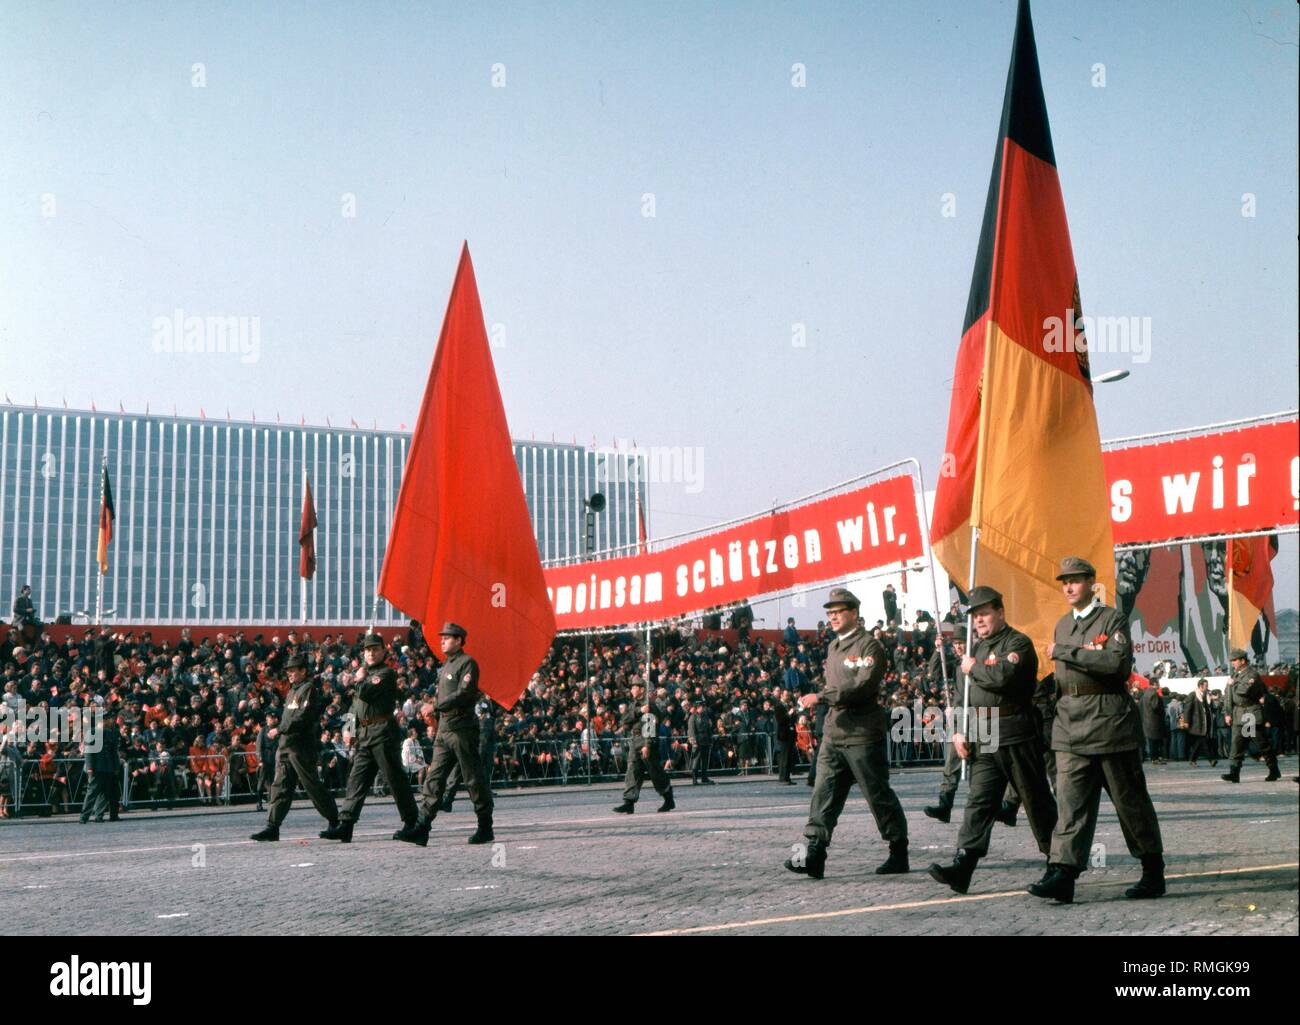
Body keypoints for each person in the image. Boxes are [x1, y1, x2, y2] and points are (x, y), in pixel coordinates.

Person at [1030, 557, 1165, 904]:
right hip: (1070, 728)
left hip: (1110, 725)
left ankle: (1152, 871)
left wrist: (1067, 652)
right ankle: (1064, 873)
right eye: (1064, 582)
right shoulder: (1062, 625)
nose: (1069, 587)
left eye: (1075, 580)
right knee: (1070, 806)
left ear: (1091, 582)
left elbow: (1117, 664)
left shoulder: (1111, 618)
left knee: (1129, 803)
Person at [928, 586, 1056, 894]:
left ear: (1000, 612)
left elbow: (1004, 678)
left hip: (1015, 732)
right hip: (983, 737)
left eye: (985, 613)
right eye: (975, 615)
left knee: (1035, 800)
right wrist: (959, 730)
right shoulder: (976, 650)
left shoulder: (1017, 644)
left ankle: (1059, 866)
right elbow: (962, 699)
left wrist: (974, 668)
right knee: (979, 801)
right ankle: (963, 864)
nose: (979, 620)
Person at [785, 587, 908, 879]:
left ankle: (898, 851)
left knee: (877, 795)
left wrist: (823, 696)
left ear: (854, 613)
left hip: (863, 734)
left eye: (839, 612)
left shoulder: (869, 646)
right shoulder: (833, 647)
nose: (833, 617)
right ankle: (812, 855)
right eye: (830, 613)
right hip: (834, 733)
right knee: (822, 794)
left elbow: (864, 685)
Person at [397, 623, 495, 846]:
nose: (442, 641)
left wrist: (436, 707)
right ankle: (422, 828)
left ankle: (485, 827)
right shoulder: (446, 666)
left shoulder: (467, 663)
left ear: (459, 640)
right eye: (442, 637)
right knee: (434, 779)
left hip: (462, 729)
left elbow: (464, 693)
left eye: (447, 638)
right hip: (445, 729)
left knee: (473, 779)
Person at [321, 633, 419, 843]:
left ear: (383, 651)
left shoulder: (385, 673)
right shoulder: (365, 674)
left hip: (382, 731)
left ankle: (412, 822)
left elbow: (364, 693)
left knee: (395, 780)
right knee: (356, 779)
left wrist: (359, 678)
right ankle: (345, 825)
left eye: (375, 649)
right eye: (367, 650)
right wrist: (349, 729)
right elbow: (354, 706)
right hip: (365, 734)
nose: (371, 653)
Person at [251, 654, 339, 841]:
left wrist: (279, 729)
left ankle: (334, 820)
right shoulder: (292, 692)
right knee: (280, 787)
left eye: (293, 671)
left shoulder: (308, 689)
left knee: (312, 786)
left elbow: (302, 717)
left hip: (301, 747)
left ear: (303, 671)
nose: (290, 674)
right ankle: (272, 827)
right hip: (285, 747)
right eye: (288, 671)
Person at [924, 628, 967, 823]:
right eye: (955, 643)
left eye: (962, 642)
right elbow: (934, 672)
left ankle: (998, 805)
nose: (958, 646)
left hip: (979, 716)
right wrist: (937, 650)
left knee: (983, 766)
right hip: (957, 717)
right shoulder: (955, 663)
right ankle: (944, 806)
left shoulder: (978, 661)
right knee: (951, 765)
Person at [611, 681, 675, 814]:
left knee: (655, 773)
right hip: (635, 741)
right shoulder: (635, 705)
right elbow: (624, 720)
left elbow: (651, 727)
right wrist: (639, 711)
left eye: (634, 688)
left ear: (641, 690)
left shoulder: (650, 705)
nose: (632, 690)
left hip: (646, 741)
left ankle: (668, 798)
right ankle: (629, 802)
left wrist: (648, 745)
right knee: (632, 771)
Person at [1221, 649, 1281, 783]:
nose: (1233, 663)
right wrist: (1227, 713)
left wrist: (1233, 683)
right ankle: (1234, 773)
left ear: (1243, 661)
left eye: (1235, 660)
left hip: (1250, 713)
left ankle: (1273, 769)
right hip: (1238, 714)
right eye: (1232, 661)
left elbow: (1243, 691)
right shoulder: (1235, 675)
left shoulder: (1252, 674)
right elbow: (1228, 696)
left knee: (1261, 743)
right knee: (1236, 745)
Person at [79, 721, 121, 823]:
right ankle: (84, 816)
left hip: (108, 767)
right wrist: (89, 768)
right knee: (92, 793)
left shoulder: (109, 733)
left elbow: (113, 752)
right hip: (96, 767)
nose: (106, 723)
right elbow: (88, 752)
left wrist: (116, 767)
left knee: (105, 793)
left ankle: (99, 815)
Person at [1184, 679, 1217, 767]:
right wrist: (1186, 721)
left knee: (1200, 743)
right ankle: (1211, 759)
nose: (1207, 687)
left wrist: (1214, 701)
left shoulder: (1207, 696)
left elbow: (1211, 709)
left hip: (1206, 723)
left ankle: (1192, 760)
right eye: (1206, 686)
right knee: (1203, 741)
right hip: (1197, 723)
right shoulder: (1193, 695)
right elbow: (1187, 709)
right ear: (1201, 686)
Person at [687, 700, 714, 784]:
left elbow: (709, 729)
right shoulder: (693, 717)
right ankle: (694, 778)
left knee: (705, 760)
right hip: (697, 740)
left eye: (703, 706)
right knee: (696, 760)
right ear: (697, 708)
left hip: (705, 740)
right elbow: (691, 731)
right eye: (701, 707)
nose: (703, 708)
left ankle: (704, 777)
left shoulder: (706, 716)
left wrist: (710, 739)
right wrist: (693, 742)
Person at [1140, 684, 1166, 764]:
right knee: (1155, 741)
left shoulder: (1145, 694)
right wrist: (1162, 710)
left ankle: (1154, 758)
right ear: (1155, 684)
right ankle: (1155, 758)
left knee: (1151, 741)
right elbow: (1155, 706)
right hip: (1154, 720)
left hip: (1146, 720)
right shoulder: (1154, 693)